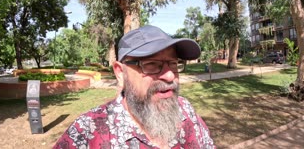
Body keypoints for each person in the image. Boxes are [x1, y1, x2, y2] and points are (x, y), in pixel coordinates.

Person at [53, 25, 215, 149]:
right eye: (151, 64)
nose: (170, 75)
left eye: (173, 64)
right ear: (120, 73)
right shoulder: (87, 131)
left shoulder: (185, 110)